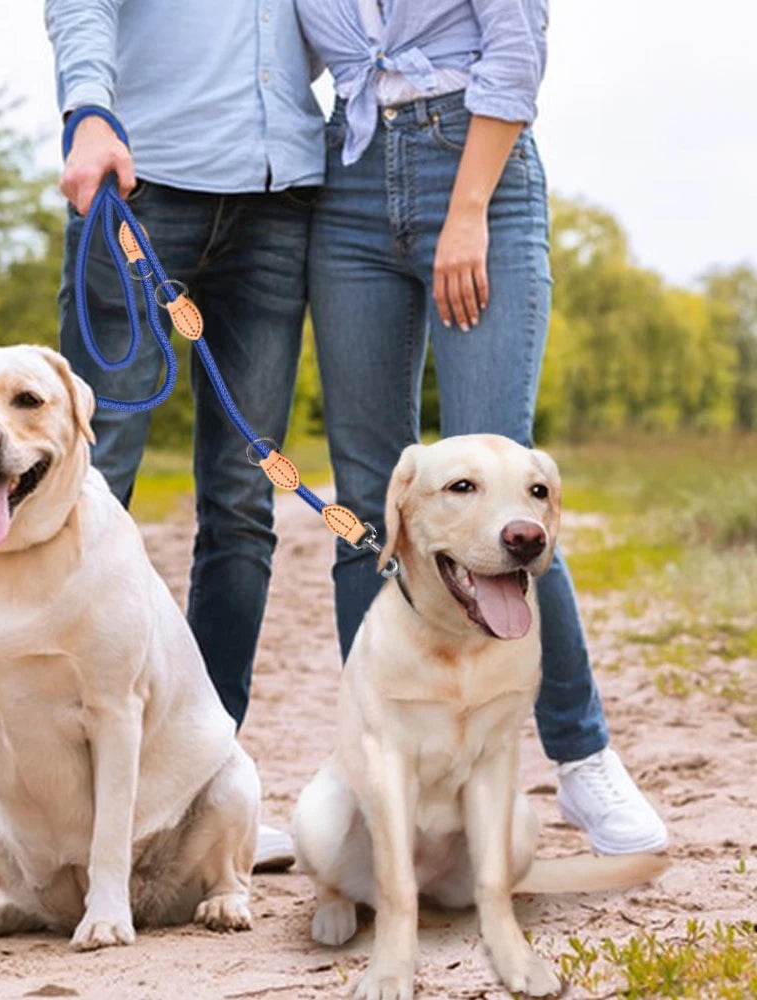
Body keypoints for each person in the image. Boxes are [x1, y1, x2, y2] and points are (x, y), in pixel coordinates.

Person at [295, 0, 668, 854]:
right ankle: (374, 766)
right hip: (346, 180)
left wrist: (466, 210)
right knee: (365, 509)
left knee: (507, 497)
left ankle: (582, 759)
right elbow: (268, 59)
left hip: (476, 168)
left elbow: (515, 45)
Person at [44, 0, 325, 869]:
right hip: (141, 187)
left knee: (244, 501)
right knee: (89, 484)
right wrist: (87, 109)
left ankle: (204, 782)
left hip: (279, 200)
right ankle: (55, 798)